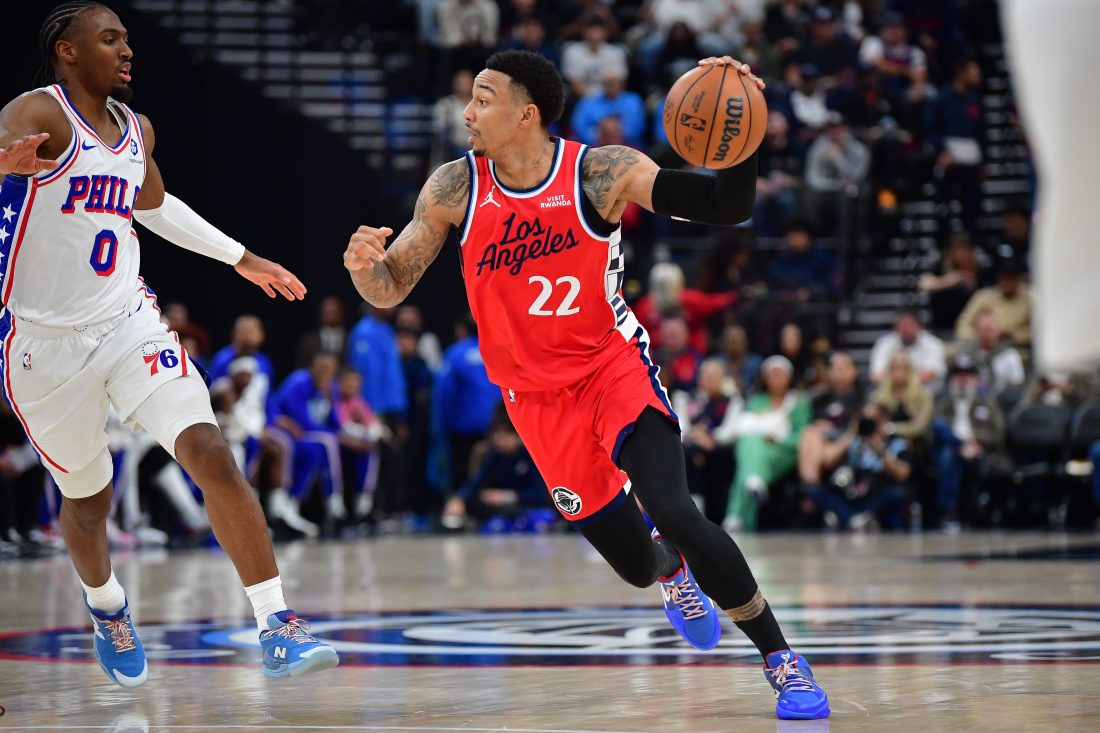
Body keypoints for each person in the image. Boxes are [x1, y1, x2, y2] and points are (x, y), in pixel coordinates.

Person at [342, 50, 829, 719]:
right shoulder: (455, 187)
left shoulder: (601, 171)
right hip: (536, 402)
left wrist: (741, 125)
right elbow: (392, 285)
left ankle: (781, 657)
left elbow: (724, 203)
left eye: (484, 99)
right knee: (636, 562)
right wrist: (364, 268)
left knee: (678, 509)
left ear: (526, 113)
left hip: (610, 366)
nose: (468, 111)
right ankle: (669, 572)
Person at [0, 3, 336, 684]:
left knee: (210, 450)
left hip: (128, 320)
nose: (127, 50)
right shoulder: (38, 113)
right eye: (109, 39)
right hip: (43, 347)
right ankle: (107, 607)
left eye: (127, 38)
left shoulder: (135, 128)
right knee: (88, 503)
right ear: (67, 51)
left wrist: (239, 255)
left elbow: (151, 205)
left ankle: (277, 622)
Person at [868, 309, 946, 388]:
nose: (906, 329)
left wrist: (906, 386)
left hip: (926, 390)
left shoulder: (933, 344)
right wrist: (898, 386)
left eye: (909, 325)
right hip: (891, 390)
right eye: (902, 325)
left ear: (919, 326)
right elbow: (876, 375)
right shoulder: (884, 343)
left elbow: (933, 372)